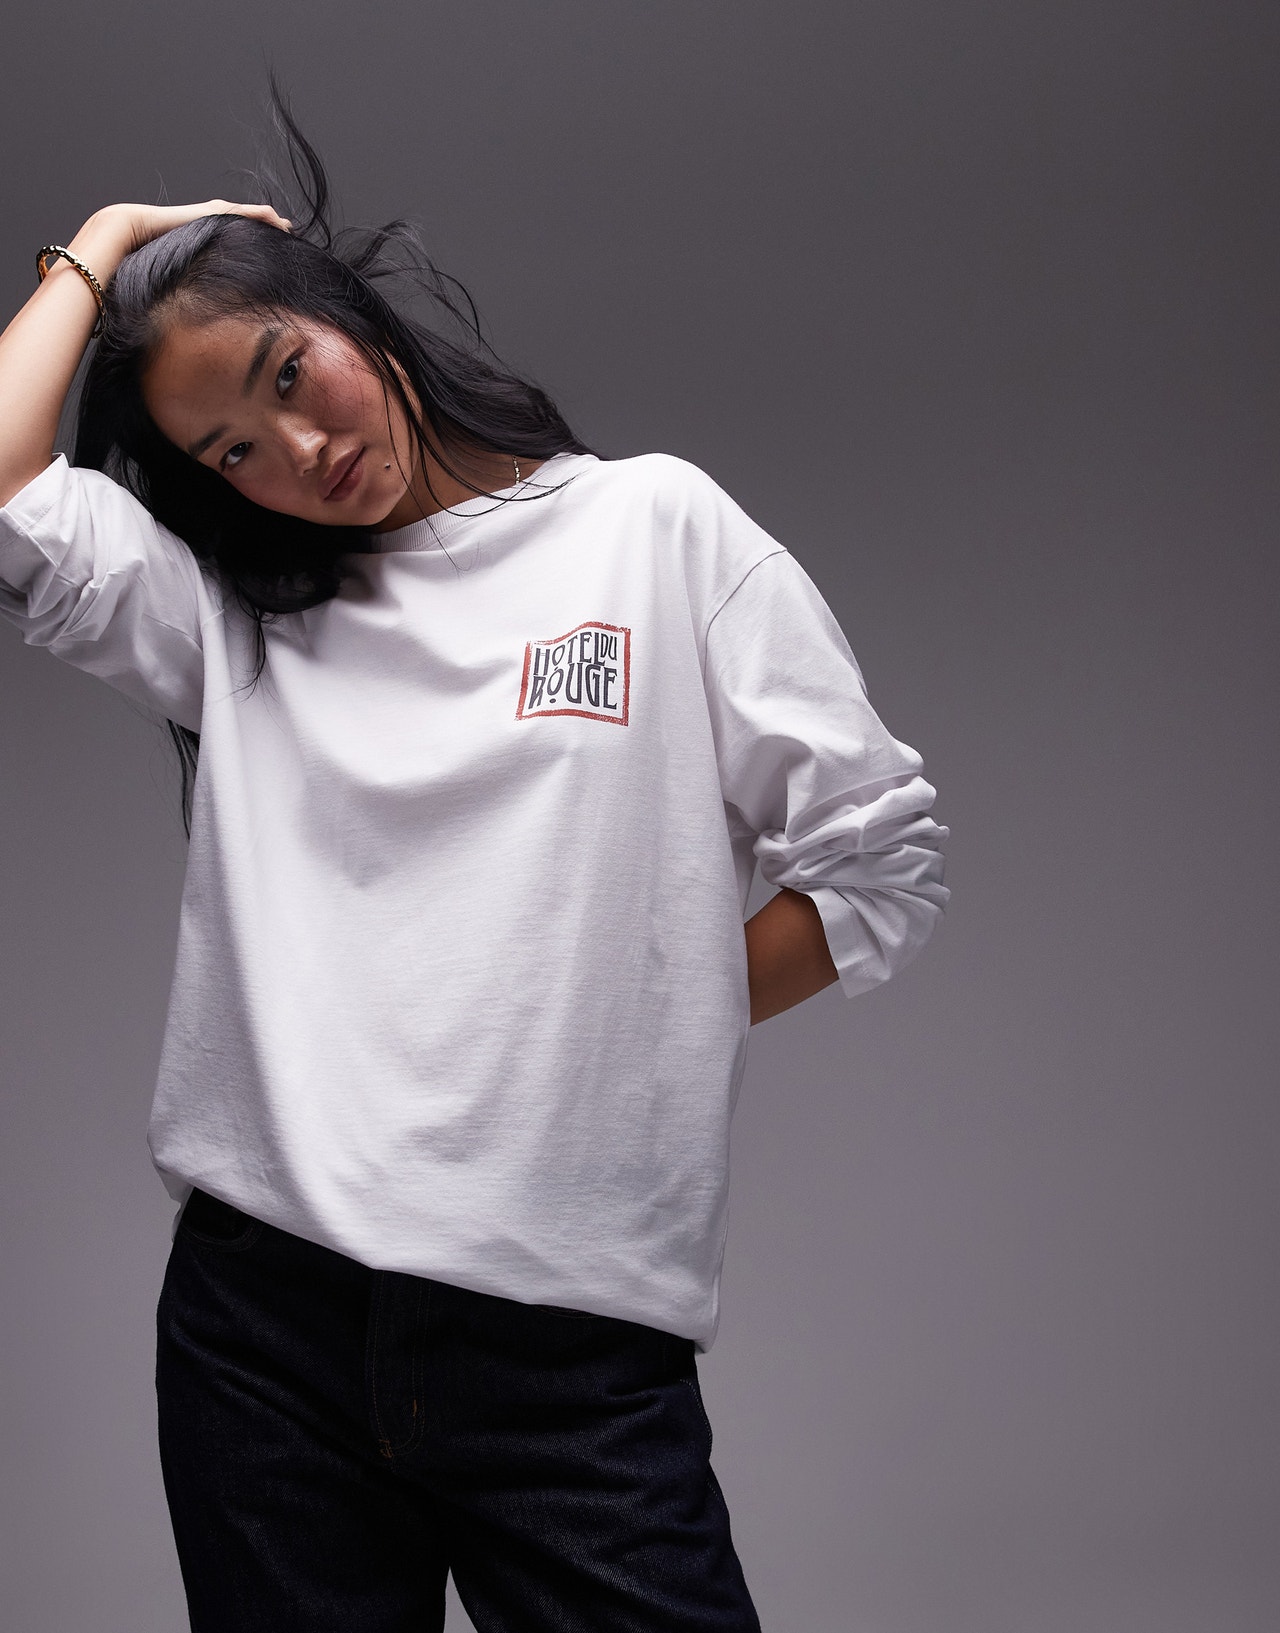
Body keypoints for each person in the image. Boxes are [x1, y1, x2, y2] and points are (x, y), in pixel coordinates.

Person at [0, 90, 949, 1633]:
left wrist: (634, 1022)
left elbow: (875, 866)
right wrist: (102, 248)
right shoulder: (238, 622)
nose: (300, 450)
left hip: (568, 1343)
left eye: (288, 374)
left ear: (344, 309)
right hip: (264, 1332)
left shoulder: (651, 533)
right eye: (235, 449)